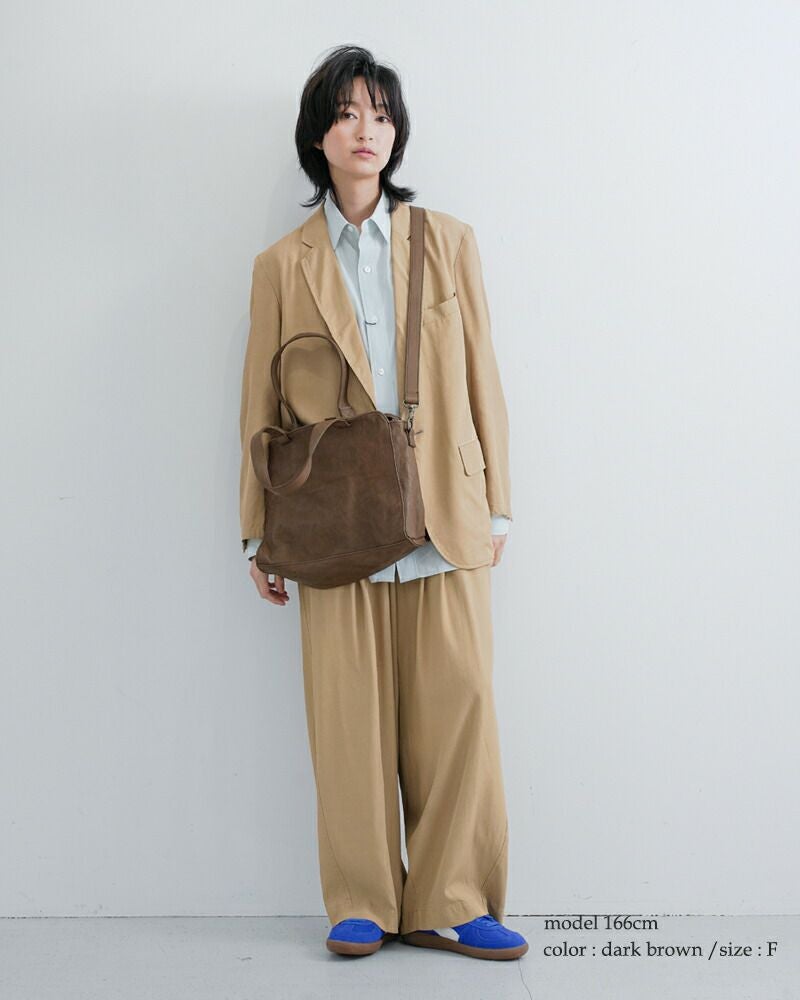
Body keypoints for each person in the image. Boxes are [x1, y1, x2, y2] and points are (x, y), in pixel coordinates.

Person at [239, 44, 527, 962]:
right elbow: (259, 408)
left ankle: (453, 898)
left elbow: (482, 376)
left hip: (446, 510)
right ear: (317, 135)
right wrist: (257, 533)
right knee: (346, 717)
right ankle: (361, 896)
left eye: (380, 113)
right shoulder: (282, 266)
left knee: (460, 708)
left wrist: (499, 505)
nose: (366, 129)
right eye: (346, 113)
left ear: (396, 134)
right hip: (332, 522)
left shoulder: (447, 241)